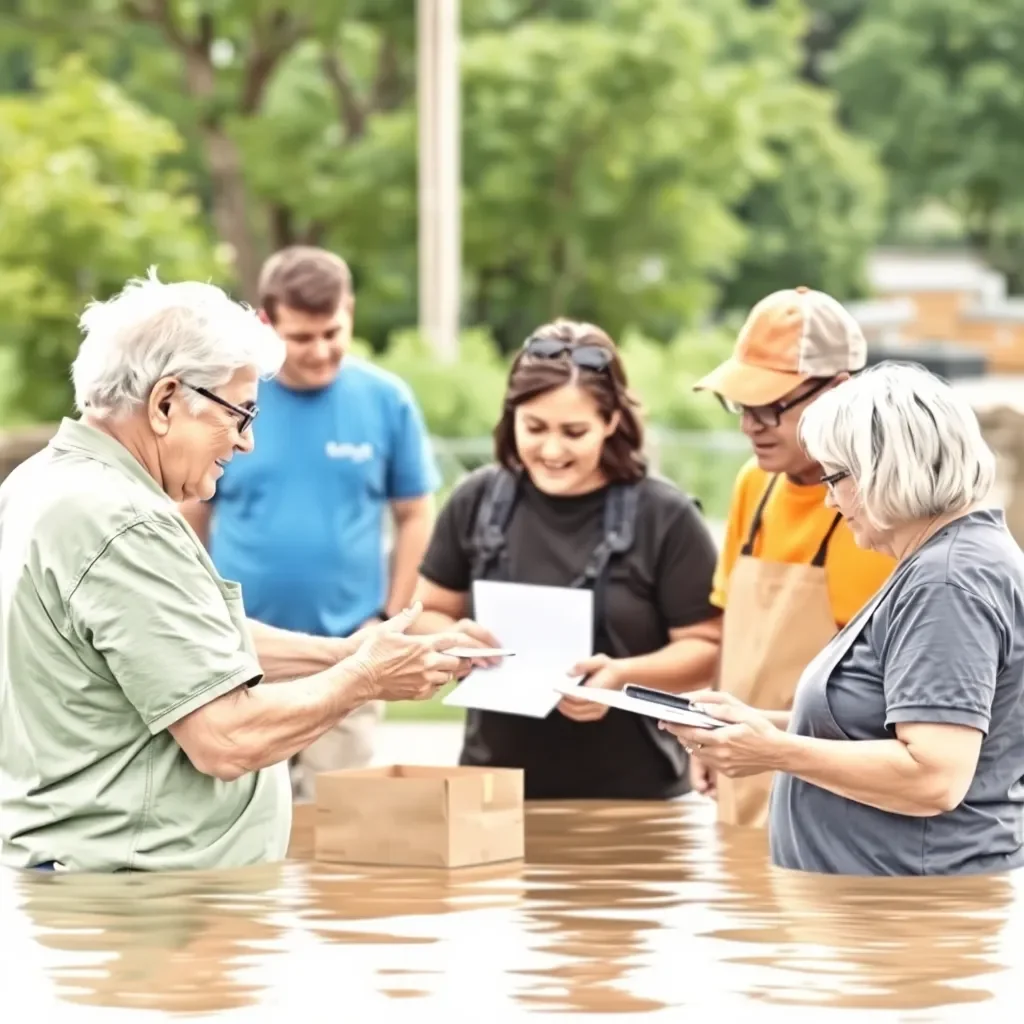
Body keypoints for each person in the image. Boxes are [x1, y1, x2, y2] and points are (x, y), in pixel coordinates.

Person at [0, 272, 475, 874]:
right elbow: (227, 738)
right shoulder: (124, 522)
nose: (247, 443)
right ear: (166, 400)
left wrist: (344, 652)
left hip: (107, 881)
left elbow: (185, 645)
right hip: (142, 901)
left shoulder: (45, 482)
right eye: (241, 414)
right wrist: (364, 678)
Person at [665, 362, 1024, 877]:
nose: (830, 500)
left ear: (889, 468)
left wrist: (776, 752)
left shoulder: (946, 582)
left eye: (835, 477)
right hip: (881, 906)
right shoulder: (944, 563)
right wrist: (751, 725)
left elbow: (934, 777)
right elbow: (875, 726)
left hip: (907, 910)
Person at [407, 319, 724, 801]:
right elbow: (426, 612)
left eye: (574, 431)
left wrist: (622, 676)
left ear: (612, 422)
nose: (551, 449)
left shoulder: (667, 516)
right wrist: (451, 640)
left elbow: (706, 647)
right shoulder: (476, 499)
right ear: (511, 415)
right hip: (490, 792)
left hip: (636, 800)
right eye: (534, 427)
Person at [181, 247, 440, 796]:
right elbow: (190, 512)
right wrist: (199, 613)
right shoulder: (232, 399)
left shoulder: (386, 400)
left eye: (333, 332)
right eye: (302, 338)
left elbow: (416, 513)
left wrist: (389, 615)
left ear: (349, 312)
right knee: (243, 823)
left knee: (337, 828)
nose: (321, 351)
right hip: (244, 658)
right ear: (267, 323)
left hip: (351, 653)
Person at [689, 286, 895, 826]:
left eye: (770, 408)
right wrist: (712, 732)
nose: (749, 426)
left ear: (840, 390)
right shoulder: (753, 486)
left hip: (838, 806)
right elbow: (732, 629)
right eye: (741, 405)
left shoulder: (883, 512)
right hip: (742, 784)